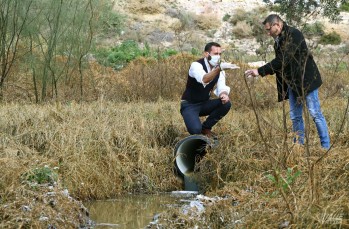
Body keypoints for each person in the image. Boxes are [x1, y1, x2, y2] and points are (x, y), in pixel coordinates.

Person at [245, 14, 330, 149]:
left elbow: (283, 59)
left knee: (315, 114)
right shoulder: (278, 40)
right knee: (295, 116)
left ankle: (326, 146)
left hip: (306, 81)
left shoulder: (293, 34)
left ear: (277, 25)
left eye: (269, 30)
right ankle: (298, 147)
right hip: (292, 84)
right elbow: (282, 65)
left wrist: (260, 71)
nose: (268, 33)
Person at [180, 42, 239, 138]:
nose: (218, 56)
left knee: (226, 104)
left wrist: (223, 94)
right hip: (189, 105)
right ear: (207, 54)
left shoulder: (219, 69)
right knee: (195, 130)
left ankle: (206, 128)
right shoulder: (196, 65)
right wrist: (218, 69)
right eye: (216, 54)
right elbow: (204, 79)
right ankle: (198, 130)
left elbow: (221, 86)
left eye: (220, 54)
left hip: (204, 103)